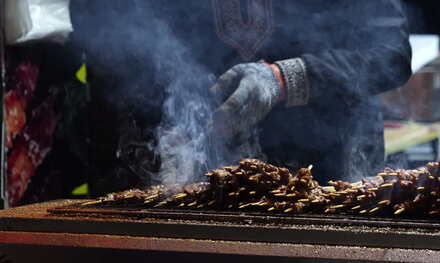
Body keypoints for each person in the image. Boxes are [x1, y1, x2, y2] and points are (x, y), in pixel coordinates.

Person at [70, 0, 411, 194]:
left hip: (325, 174)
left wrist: (282, 79)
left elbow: (390, 54)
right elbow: (112, 41)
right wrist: (158, 132)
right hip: (198, 175)